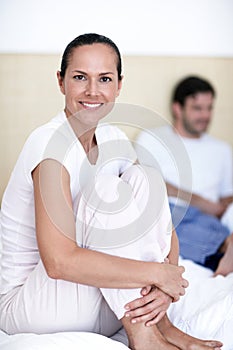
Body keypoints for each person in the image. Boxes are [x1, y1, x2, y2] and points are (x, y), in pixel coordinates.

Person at [0, 35, 223, 350]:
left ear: (119, 85)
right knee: (106, 189)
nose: (93, 91)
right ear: (61, 81)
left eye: (104, 79)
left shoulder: (113, 137)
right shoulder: (47, 143)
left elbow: (159, 222)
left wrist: (166, 282)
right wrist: (157, 273)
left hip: (92, 299)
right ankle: (144, 336)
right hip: (33, 306)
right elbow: (59, 263)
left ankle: (162, 325)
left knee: (146, 177)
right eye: (80, 77)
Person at [135, 76, 233, 277]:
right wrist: (198, 202)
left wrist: (218, 209)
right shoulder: (152, 139)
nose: (205, 115)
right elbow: (144, 181)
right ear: (177, 108)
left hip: (209, 219)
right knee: (159, 224)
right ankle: (224, 247)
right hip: (167, 209)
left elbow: (226, 199)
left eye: (209, 108)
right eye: (197, 108)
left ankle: (223, 248)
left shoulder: (221, 150)